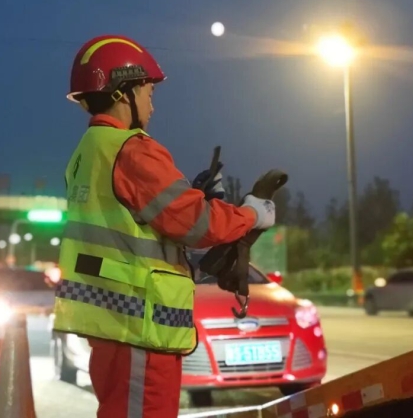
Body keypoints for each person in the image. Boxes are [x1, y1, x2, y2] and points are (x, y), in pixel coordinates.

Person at [52, 34, 276, 418]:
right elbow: (198, 224)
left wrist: (192, 195)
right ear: (123, 92)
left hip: (114, 328)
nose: (152, 105)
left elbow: (141, 225)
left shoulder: (88, 151)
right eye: (149, 92)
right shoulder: (133, 149)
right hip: (141, 329)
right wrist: (253, 214)